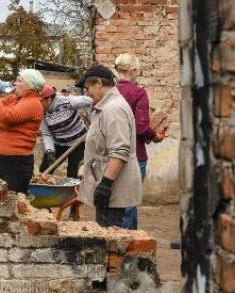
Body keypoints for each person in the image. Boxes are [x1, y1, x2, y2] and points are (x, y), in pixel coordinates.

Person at [77, 65, 142, 228]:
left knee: (111, 237)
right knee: (108, 234)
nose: (86, 93)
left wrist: (105, 185)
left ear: (99, 83)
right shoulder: (104, 107)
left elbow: (120, 151)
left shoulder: (113, 109)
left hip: (114, 188)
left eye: (87, 88)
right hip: (108, 184)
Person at [114, 53, 165, 229]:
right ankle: (126, 241)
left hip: (111, 154)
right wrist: (156, 136)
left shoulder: (109, 92)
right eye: (138, 71)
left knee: (116, 204)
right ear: (133, 70)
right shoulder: (138, 92)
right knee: (129, 204)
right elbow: (141, 127)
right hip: (134, 154)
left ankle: (125, 239)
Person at [0, 69, 46, 193]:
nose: (15, 83)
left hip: (17, 161)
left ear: (30, 86)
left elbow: (8, 116)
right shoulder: (14, 99)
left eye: (19, 81)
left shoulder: (33, 104)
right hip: (1, 157)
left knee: (12, 198)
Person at [38, 84, 93, 179]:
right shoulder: (41, 111)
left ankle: (74, 188)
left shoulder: (67, 101)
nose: (37, 104)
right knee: (45, 169)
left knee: (73, 173)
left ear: (48, 99)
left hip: (79, 142)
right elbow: (47, 134)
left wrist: (93, 117)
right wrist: (50, 150)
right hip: (58, 142)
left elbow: (92, 100)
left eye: (39, 101)